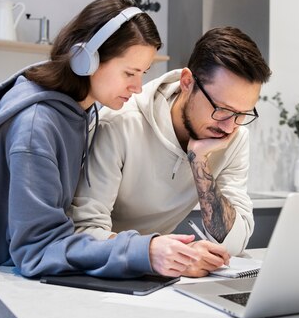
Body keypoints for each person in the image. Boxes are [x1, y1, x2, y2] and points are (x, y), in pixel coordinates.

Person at [0, 0, 201, 318]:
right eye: (129, 73)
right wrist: (141, 251)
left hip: (29, 296)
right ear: (87, 59)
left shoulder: (79, 113)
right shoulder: (37, 125)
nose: (136, 86)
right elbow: (37, 250)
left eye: (143, 74)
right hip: (0, 309)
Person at [70, 26, 271, 277]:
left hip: (158, 275)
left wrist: (199, 163)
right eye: (221, 109)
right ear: (187, 82)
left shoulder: (234, 137)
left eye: (242, 114)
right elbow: (83, 232)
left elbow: (233, 245)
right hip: (103, 275)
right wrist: (157, 252)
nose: (230, 126)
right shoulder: (120, 123)